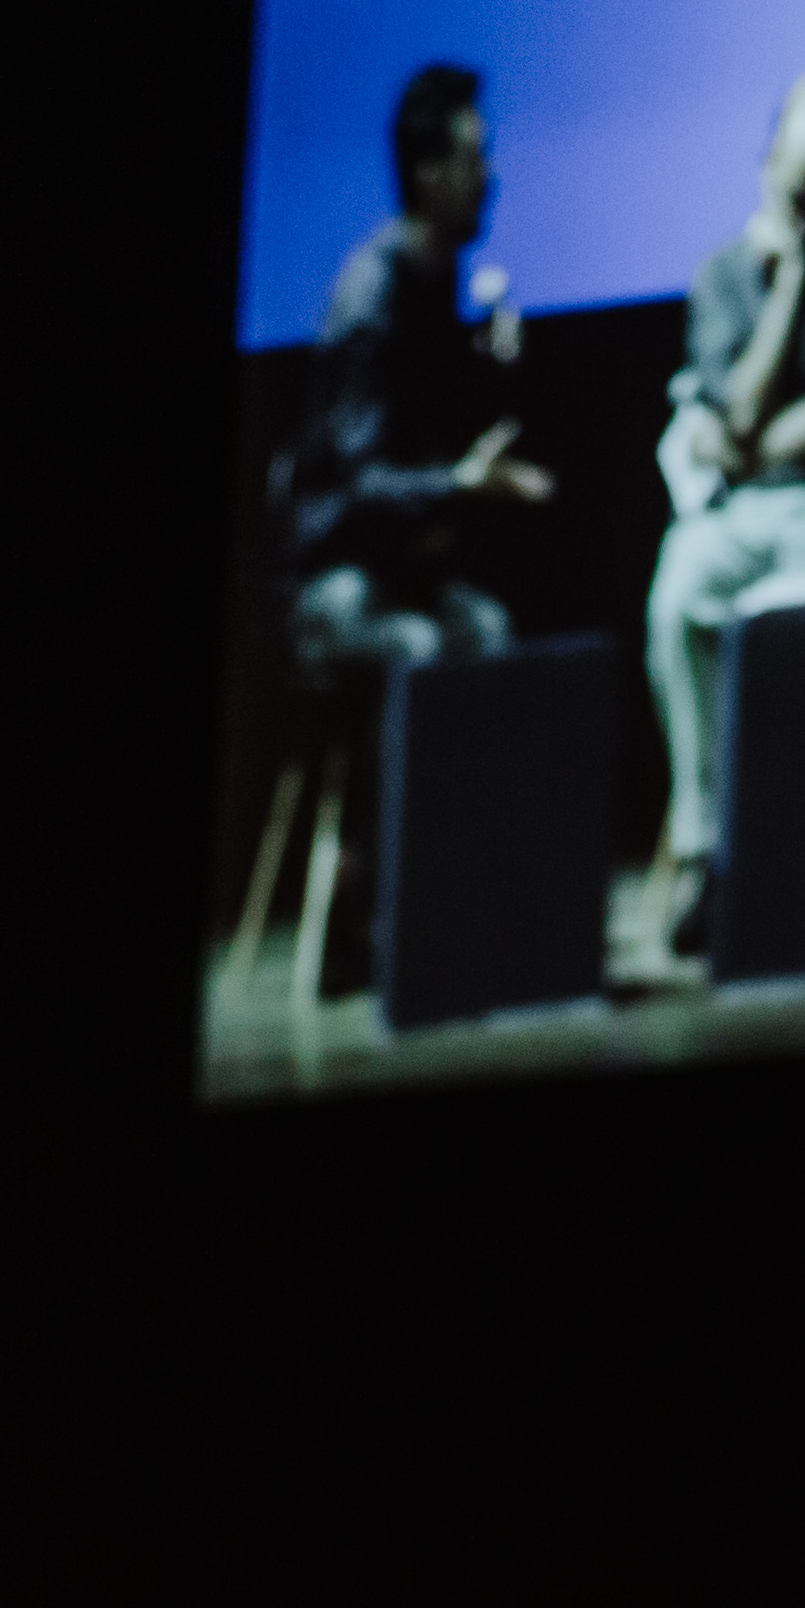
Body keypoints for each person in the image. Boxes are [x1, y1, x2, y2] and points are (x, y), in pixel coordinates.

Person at [271, 62, 553, 991]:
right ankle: (373, 912)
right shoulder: (375, 292)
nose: (491, 176)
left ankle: (467, 898)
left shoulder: (440, 284)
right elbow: (358, 482)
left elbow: (432, 442)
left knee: (492, 634)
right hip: (332, 586)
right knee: (422, 651)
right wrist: (460, 483)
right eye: (476, 158)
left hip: (399, 575)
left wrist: (488, 373)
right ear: (430, 174)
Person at [646, 73, 805, 953]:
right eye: (797, 178)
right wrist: (788, 288)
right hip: (738, 514)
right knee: (678, 596)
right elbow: (741, 407)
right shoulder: (718, 278)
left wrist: (757, 436)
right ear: (766, 162)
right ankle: (705, 849)